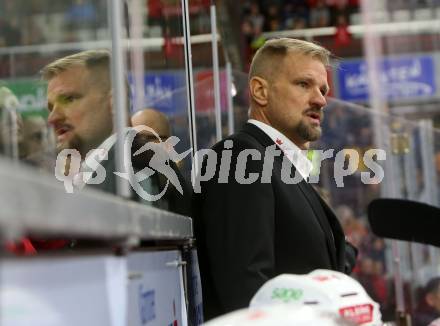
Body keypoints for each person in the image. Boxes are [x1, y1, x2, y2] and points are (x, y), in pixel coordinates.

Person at [194, 38, 357, 320]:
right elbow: (246, 295)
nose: (321, 99)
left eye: (323, 89)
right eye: (304, 84)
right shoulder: (240, 157)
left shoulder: (278, 164)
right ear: (260, 91)